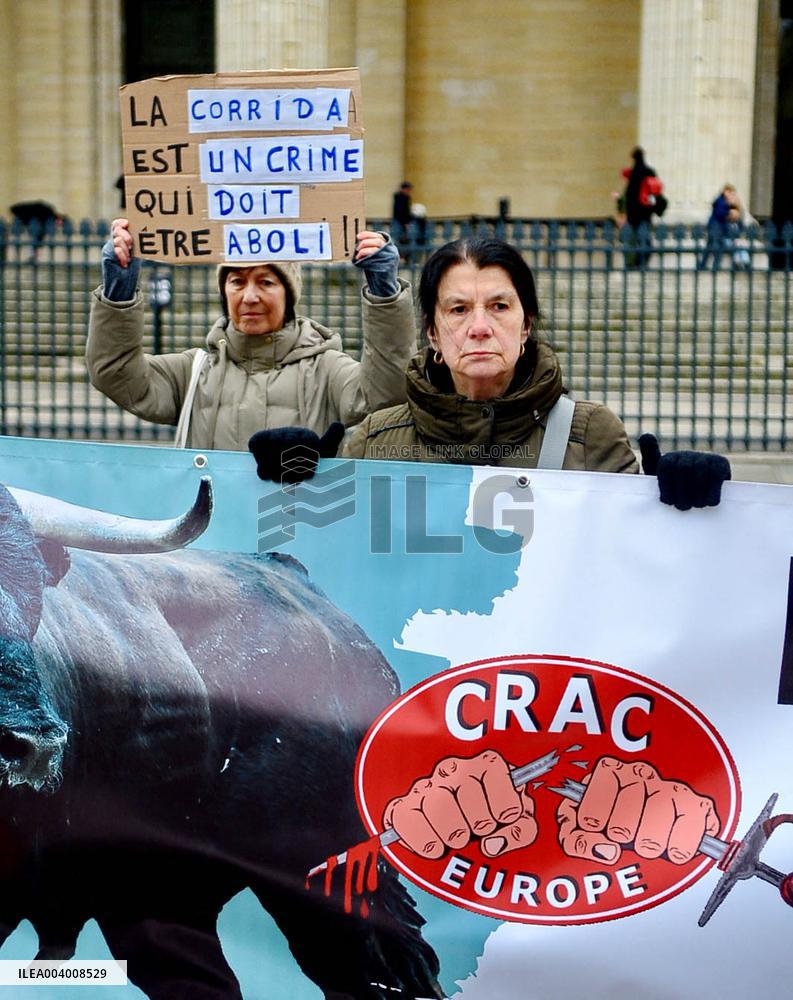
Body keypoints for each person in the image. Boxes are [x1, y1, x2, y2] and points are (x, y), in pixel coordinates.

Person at [250, 237, 731, 510]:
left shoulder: (590, 434)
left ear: (525, 326)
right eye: (458, 309)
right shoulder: (375, 440)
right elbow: (325, 556)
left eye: (499, 306)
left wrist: (679, 501)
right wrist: (295, 481)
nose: (479, 327)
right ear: (433, 334)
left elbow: (635, 559)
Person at [86, 219, 416, 451]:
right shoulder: (195, 371)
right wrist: (119, 292)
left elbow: (385, 394)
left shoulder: (327, 369)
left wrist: (384, 295)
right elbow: (116, 374)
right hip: (210, 543)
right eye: (237, 282)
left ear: (289, 295)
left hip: (299, 533)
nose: (250, 297)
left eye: (266, 282)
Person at [620, 148, 659, 269]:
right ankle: (641, 264)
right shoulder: (649, 172)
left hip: (632, 215)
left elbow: (627, 195)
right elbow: (654, 193)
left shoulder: (632, 174)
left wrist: (625, 211)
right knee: (645, 241)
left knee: (631, 241)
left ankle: (631, 264)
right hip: (644, 213)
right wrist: (652, 207)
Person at [698, 184, 742, 271]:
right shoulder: (721, 201)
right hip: (716, 229)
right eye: (730, 193)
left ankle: (702, 266)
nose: (731, 195)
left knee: (709, 248)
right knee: (717, 249)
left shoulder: (722, 202)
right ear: (725, 191)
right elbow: (720, 213)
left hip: (716, 229)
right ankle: (714, 267)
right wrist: (729, 212)